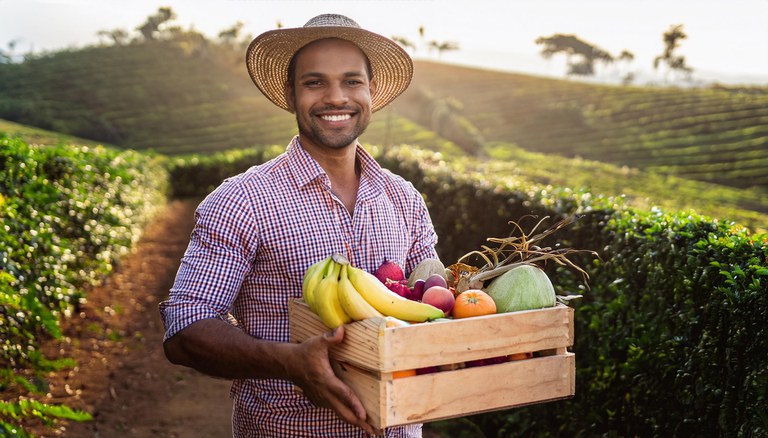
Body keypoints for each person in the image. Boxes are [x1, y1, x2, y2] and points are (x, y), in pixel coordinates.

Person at [159, 13, 438, 437]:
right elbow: (185, 327)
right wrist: (288, 361)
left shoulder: (404, 198)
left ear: (371, 92)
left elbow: (432, 295)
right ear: (290, 94)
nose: (335, 97)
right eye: (314, 83)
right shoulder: (243, 200)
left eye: (351, 81)